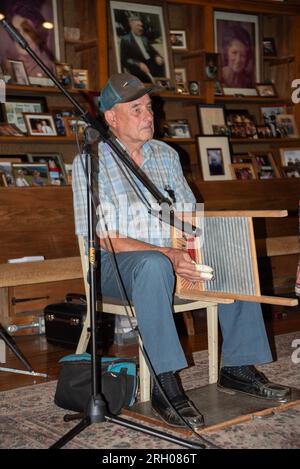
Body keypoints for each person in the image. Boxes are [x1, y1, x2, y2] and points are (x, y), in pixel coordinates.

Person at [72, 72, 291, 430]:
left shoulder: (165, 155)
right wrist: (170, 257)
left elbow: (188, 218)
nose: (148, 116)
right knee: (153, 264)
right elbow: (104, 236)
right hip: (115, 266)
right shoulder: (92, 160)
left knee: (231, 248)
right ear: (111, 118)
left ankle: (237, 366)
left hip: (168, 257)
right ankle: (165, 382)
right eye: (137, 109)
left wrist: (194, 251)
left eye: (149, 108)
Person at [0, 1, 55, 77]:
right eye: (16, 31)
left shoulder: (46, 66)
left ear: (38, 34)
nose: (20, 36)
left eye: (26, 30)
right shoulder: (9, 65)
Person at [120, 14, 165, 83]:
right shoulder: (125, 40)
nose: (141, 28)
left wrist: (157, 56)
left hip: (150, 63)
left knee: (163, 66)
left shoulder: (144, 38)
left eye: (141, 26)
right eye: (138, 25)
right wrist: (138, 64)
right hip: (137, 66)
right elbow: (124, 59)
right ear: (131, 25)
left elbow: (152, 50)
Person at [220, 24, 253, 88]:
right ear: (226, 52)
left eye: (243, 55)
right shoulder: (218, 77)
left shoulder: (249, 81)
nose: (238, 60)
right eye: (234, 53)